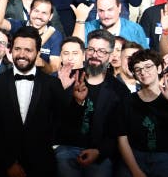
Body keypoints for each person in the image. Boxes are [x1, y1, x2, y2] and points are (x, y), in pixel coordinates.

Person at [0, 26, 75, 176]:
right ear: (11, 50)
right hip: (2, 166)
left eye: (28, 50)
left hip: (41, 166)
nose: (21, 54)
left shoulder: (52, 84)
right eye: (17, 49)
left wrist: (74, 99)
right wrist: (9, 163)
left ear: (38, 53)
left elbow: (63, 123)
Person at [53, 29, 127, 176]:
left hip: (99, 151)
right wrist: (73, 99)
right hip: (67, 147)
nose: (95, 55)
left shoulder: (119, 90)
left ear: (111, 56)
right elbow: (55, 120)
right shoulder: (68, 78)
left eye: (101, 51)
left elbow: (117, 132)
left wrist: (99, 152)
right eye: (91, 49)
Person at [117, 49, 168, 177]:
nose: (143, 72)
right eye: (138, 69)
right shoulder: (127, 101)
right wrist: (135, 170)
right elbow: (122, 139)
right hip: (135, 157)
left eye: (148, 67)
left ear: (159, 68)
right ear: (134, 74)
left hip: (166, 158)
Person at [0, 0, 64, 65]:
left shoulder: (55, 35)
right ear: (29, 11)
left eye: (44, 13)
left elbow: (54, 68)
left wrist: (40, 63)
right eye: (36, 11)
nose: (39, 16)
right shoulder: (18, 26)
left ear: (51, 17)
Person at [72, 0, 150, 48]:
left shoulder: (135, 29)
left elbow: (145, 58)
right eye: (101, 10)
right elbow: (75, 52)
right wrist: (80, 20)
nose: (105, 15)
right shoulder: (87, 27)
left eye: (110, 10)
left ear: (119, 8)